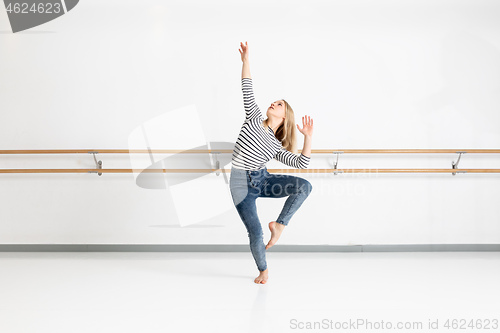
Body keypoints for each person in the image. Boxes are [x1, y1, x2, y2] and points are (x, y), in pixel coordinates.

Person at [230, 41, 314, 284]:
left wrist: (308, 137)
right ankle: (263, 270)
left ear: (284, 115)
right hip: (240, 185)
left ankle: (279, 225)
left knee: (304, 185)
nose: (273, 104)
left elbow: (301, 163)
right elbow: (247, 86)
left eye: (279, 104)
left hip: (263, 180)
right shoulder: (254, 117)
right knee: (255, 231)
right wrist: (246, 61)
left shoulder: (277, 146)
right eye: (274, 102)